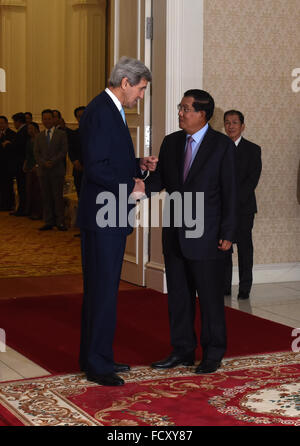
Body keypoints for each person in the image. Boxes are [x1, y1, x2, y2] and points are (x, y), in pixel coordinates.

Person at [138, 89, 237, 374]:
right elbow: (160, 181)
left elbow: (232, 193)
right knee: (179, 297)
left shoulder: (222, 146)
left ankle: (213, 352)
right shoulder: (171, 142)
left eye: (186, 109)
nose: (180, 113)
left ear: (202, 114)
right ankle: (182, 350)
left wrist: (228, 233)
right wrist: (141, 182)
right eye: (180, 108)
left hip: (208, 235)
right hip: (175, 232)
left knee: (209, 298)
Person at [77, 56, 156, 386]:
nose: (141, 96)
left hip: (109, 213)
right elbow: (94, 167)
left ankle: (102, 357)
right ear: (125, 82)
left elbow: (110, 158)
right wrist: (131, 186)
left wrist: (139, 165)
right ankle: (96, 364)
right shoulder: (100, 111)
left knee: (107, 290)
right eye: (140, 90)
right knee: (101, 291)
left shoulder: (112, 110)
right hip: (102, 216)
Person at [223, 110, 262, 300]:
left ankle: (245, 287)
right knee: (223, 248)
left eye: (235, 123)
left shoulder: (253, 150)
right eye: (227, 123)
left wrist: (233, 202)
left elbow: (251, 181)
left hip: (244, 208)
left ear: (242, 126)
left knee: (245, 249)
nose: (231, 126)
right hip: (221, 208)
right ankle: (224, 286)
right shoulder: (218, 148)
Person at [34, 109, 68, 231]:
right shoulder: (39, 136)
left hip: (57, 170)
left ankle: (60, 222)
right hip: (43, 171)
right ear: (42, 120)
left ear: (53, 120)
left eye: (49, 119)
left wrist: (52, 161)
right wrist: (44, 162)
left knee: (57, 197)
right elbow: (36, 153)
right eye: (45, 119)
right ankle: (48, 221)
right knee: (46, 197)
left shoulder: (61, 134)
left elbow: (63, 151)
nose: (47, 121)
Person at [10, 113, 29, 216]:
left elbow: (19, 147)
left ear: (18, 121)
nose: (14, 124)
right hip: (20, 163)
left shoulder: (22, 131)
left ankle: (22, 209)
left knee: (22, 187)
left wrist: (10, 145)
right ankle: (22, 208)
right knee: (22, 187)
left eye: (14, 122)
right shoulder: (23, 131)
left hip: (20, 164)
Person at [23, 123, 43, 220]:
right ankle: (31, 210)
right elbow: (27, 154)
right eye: (28, 129)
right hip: (29, 166)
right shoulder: (29, 141)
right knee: (30, 190)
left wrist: (37, 165)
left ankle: (38, 212)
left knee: (37, 191)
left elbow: (41, 154)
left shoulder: (40, 139)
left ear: (35, 129)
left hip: (38, 167)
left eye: (31, 128)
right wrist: (25, 164)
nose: (29, 130)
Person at [0, 116, 16, 211]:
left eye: (2, 123)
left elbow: (14, 151)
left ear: (6, 123)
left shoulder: (12, 134)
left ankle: (8, 204)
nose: (0, 125)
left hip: (8, 165)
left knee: (8, 185)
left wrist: (8, 144)